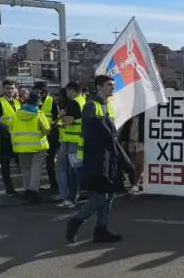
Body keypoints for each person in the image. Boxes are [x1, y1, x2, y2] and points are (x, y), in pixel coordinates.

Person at [66, 75, 132, 243]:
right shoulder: (91, 106)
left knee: (108, 195)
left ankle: (101, 230)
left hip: (107, 157)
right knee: (101, 196)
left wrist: (122, 160)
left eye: (113, 84)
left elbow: (111, 137)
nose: (113, 87)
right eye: (109, 85)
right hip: (94, 158)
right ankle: (76, 221)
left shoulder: (106, 106)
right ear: (99, 87)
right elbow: (90, 133)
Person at [10, 92, 50, 203]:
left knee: (26, 169)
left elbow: (10, 128)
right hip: (38, 147)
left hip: (21, 147)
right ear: (37, 102)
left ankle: (27, 190)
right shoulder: (39, 114)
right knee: (36, 170)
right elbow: (46, 130)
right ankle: (33, 192)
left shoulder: (16, 114)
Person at [56, 81, 86, 209]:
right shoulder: (83, 101)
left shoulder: (73, 102)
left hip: (73, 141)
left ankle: (71, 199)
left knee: (74, 171)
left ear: (72, 90)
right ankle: (74, 195)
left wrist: (62, 116)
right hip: (80, 139)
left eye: (68, 91)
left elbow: (70, 120)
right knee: (76, 169)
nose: (67, 94)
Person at [0, 79, 20, 196]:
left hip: (17, 137)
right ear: (3, 89)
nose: (10, 90)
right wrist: (3, 128)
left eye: (12, 88)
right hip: (5, 137)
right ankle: (9, 188)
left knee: (21, 162)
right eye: (8, 88)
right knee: (6, 164)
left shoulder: (18, 102)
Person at [34, 81, 60, 191]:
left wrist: (51, 127)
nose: (38, 93)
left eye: (39, 91)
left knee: (50, 161)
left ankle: (53, 182)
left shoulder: (52, 101)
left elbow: (56, 117)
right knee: (37, 162)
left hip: (51, 134)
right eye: (36, 91)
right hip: (37, 135)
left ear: (44, 91)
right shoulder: (34, 102)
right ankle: (36, 185)